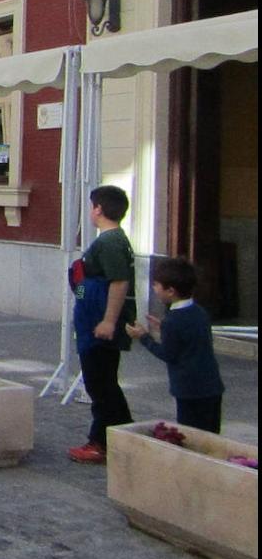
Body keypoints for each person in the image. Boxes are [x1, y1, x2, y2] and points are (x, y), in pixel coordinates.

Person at [69, 185, 136, 464]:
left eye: (92, 206)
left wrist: (108, 321)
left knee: (100, 385)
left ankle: (102, 441)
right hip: (92, 321)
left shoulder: (109, 242)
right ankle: (125, 435)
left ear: (98, 209)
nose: (91, 211)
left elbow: (119, 281)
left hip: (99, 327)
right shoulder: (113, 240)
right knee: (104, 383)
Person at [125, 257, 225, 433]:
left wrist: (143, 336)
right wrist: (163, 326)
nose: (154, 289)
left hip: (189, 389)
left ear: (170, 290)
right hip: (211, 385)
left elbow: (168, 354)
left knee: (191, 435)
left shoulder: (173, 320)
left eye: (156, 285)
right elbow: (190, 337)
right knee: (212, 434)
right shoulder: (199, 312)